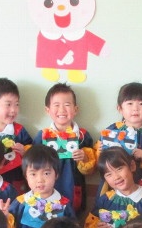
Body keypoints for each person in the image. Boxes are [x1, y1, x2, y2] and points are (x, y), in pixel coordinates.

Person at [7, 145, 76, 228]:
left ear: (56, 175)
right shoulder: (20, 202)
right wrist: (5, 218)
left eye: (46, 173)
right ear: (26, 176)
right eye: (33, 174)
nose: (40, 180)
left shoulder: (63, 205)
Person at [32, 83, 96, 213]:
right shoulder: (42, 136)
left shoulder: (83, 136)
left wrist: (84, 157)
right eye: (56, 105)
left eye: (67, 105)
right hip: (47, 186)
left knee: (73, 214)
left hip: (73, 185)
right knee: (48, 214)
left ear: (75, 109)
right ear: (48, 110)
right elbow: (33, 163)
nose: (62, 110)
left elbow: (91, 166)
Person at [96, 82, 142, 193]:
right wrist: (99, 151)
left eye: (141, 104)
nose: (135, 108)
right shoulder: (112, 130)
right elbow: (100, 161)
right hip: (116, 183)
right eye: (130, 103)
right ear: (120, 108)